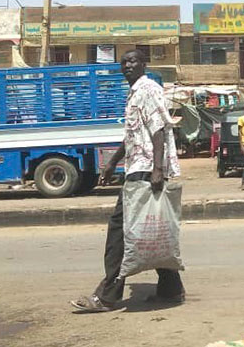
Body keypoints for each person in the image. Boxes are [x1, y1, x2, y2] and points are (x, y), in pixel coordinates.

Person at [71, 50, 184, 312]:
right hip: (138, 166)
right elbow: (135, 134)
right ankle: (171, 289)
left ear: (144, 64)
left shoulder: (147, 88)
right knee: (149, 228)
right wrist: (113, 162)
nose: (127, 66)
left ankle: (107, 296)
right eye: (123, 62)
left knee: (120, 229)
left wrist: (157, 168)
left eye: (133, 61)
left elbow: (157, 129)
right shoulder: (135, 92)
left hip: (146, 169)